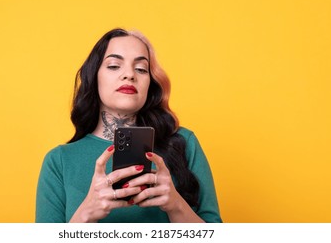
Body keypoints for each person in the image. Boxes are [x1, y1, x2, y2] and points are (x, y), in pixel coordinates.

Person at [36, 28, 222, 223]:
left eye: (141, 69)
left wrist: (176, 205)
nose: (129, 75)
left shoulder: (184, 143)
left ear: (150, 83)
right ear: (94, 76)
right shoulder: (59, 161)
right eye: (114, 65)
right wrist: (85, 215)